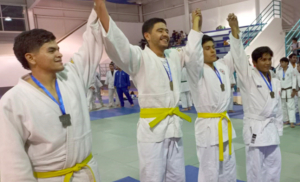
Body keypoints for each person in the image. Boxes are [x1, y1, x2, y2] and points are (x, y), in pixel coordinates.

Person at [94, 0, 202, 181]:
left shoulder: (174, 55)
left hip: (174, 128)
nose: (166, 34)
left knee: (177, 175)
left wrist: (196, 26)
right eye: (160, 30)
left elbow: (192, 53)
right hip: (152, 130)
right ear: (147, 36)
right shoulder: (139, 57)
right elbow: (118, 44)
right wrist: (102, 10)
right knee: (153, 175)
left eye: (167, 30)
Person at [0, 9, 102, 181]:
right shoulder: (13, 101)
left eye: (58, 49)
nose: (60, 54)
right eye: (51, 50)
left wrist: (98, 8)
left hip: (86, 173)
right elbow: (11, 161)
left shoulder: (72, 76)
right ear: (31, 58)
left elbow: (91, 45)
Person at [185, 13, 242, 182]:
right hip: (208, 127)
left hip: (224, 124)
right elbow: (192, 55)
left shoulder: (222, 65)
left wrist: (234, 31)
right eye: (207, 48)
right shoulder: (196, 70)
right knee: (209, 170)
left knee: (229, 168)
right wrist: (196, 24)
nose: (212, 50)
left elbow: (237, 54)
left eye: (213, 47)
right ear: (199, 51)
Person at [233, 44, 283, 181]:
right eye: (263, 59)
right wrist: (236, 36)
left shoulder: (276, 81)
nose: (267, 63)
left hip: (271, 128)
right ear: (254, 62)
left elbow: (278, 107)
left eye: (269, 59)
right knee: (255, 168)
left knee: (274, 165)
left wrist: (279, 128)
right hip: (255, 128)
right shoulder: (248, 78)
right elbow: (239, 60)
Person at [276, 57, 297, 128]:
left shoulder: (292, 70)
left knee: (291, 107)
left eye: (282, 62)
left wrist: (294, 90)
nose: (281, 64)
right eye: (280, 62)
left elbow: (294, 80)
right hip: (282, 91)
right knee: (283, 107)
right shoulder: (279, 71)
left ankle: (292, 122)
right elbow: (277, 82)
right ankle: (286, 120)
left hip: (289, 90)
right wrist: (277, 91)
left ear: (287, 63)